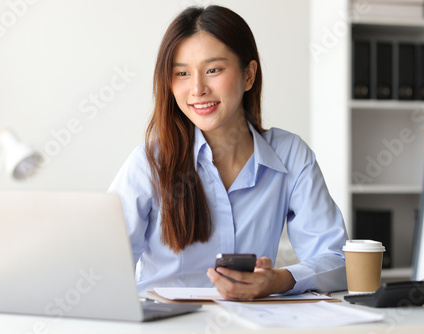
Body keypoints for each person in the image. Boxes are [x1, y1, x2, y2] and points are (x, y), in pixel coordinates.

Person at [108, 5, 348, 299]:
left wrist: (279, 280)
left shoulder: (290, 156)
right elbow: (102, 269)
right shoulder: (149, 163)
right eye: (182, 73)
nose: (197, 89)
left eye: (213, 70)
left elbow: (338, 260)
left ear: (248, 75)